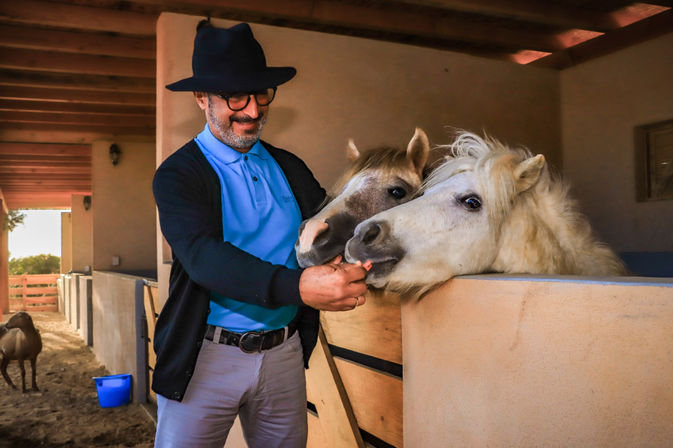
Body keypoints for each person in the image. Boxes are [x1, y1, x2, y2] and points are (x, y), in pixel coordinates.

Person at [151, 20, 368, 448]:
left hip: (284, 353)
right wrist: (301, 285)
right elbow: (203, 257)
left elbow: (330, 226)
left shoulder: (289, 167)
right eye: (235, 96)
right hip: (205, 356)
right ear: (201, 98)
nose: (252, 110)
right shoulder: (179, 174)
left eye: (261, 94)